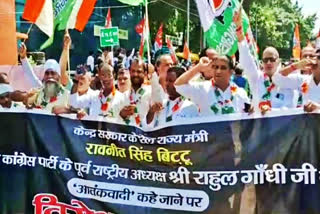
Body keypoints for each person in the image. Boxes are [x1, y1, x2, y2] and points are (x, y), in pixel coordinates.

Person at [234, 10, 297, 112]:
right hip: (259, 127)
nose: (268, 63)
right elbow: (246, 59)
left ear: (278, 61)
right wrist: (239, 31)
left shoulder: (287, 81)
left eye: (272, 59)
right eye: (265, 60)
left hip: (282, 127)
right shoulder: (256, 78)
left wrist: (270, 111)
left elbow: (289, 110)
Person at [175, 55, 251, 116]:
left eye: (223, 68)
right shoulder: (202, 88)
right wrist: (199, 68)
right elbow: (178, 85)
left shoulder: (241, 93)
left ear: (231, 72)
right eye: (216, 67)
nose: (218, 71)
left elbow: (249, 116)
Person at [119, 59, 152, 127]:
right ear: (130, 72)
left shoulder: (151, 93)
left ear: (145, 73)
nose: (135, 74)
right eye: (133, 71)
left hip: (145, 134)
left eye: (139, 71)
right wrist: (122, 115)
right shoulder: (124, 95)